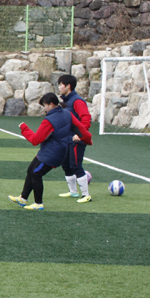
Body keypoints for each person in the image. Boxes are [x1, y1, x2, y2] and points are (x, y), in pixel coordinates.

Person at [10, 92, 73, 211]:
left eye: (44, 105)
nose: (44, 108)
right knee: (31, 170)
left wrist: (24, 128)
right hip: (53, 151)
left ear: (51, 104)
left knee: (36, 173)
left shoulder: (49, 120)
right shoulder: (66, 113)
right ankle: (23, 198)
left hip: (52, 154)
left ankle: (38, 203)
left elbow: (35, 140)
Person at [57, 75, 93, 204]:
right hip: (68, 139)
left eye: (61, 84)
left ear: (68, 86)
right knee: (66, 165)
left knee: (76, 165)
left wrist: (81, 135)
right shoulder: (66, 101)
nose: (59, 87)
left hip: (77, 140)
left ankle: (86, 195)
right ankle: (73, 191)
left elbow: (86, 118)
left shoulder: (77, 101)